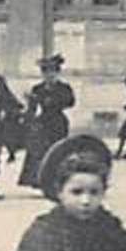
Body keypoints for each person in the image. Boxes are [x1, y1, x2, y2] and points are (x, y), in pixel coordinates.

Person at [19, 55, 75, 191]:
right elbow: (32, 108)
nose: (49, 76)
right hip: (43, 123)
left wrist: (52, 100)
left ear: (57, 73)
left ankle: (58, 181)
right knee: (40, 151)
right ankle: (40, 180)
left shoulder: (64, 88)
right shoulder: (37, 89)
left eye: (52, 73)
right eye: (46, 73)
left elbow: (70, 102)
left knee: (58, 151)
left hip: (58, 122)